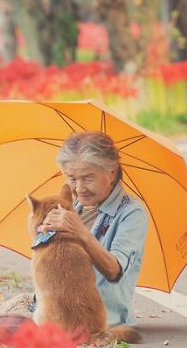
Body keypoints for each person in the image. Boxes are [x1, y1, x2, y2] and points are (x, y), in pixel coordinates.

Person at [39, 131, 149, 328]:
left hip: (99, 319)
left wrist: (80, 232)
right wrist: (45, 233)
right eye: (72, 178)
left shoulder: (132, 213)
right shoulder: (73, 206)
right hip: (59, 309)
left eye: (88, 178)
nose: (79, 188)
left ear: (111, 172)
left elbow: (114, 271)